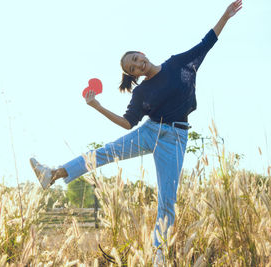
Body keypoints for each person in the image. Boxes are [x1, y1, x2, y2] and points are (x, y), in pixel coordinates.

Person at [30, 0, 242, 264]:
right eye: (132, 67)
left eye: (136, 59)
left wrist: (226, 16)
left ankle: (159, 256)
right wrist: (96, 105)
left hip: (175, 139)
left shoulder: (177, 64)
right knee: (105, 154)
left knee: (168, 199)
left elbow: (206, 43)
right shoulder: (141, 92)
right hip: (150, 132)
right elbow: (128, 122)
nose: (137, 65)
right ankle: (52, 173)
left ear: (142, 53)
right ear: (133, 74)